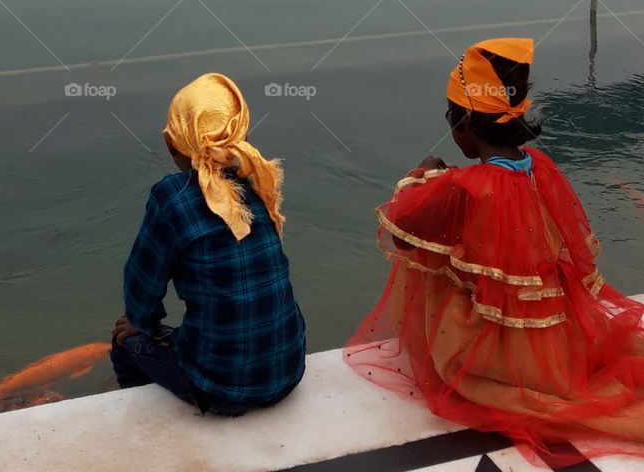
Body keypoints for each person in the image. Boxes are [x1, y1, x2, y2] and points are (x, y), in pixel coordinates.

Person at [346, 38, 644, 465]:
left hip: (498, 351)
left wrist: (423, 176)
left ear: (464, 125)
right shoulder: (543, 166)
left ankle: (459, 356)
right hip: (558, 335)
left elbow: (402, 227)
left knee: (426, 263)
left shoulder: (463, 186)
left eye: (451, 120)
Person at [111, 73, 306, 415]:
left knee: (126, 342)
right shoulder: (259, 180)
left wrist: (143, 324)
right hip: (289, 371)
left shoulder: (172, 196)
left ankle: (142, 418)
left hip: (220, 390)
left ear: (173, 144)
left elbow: (141, 294)